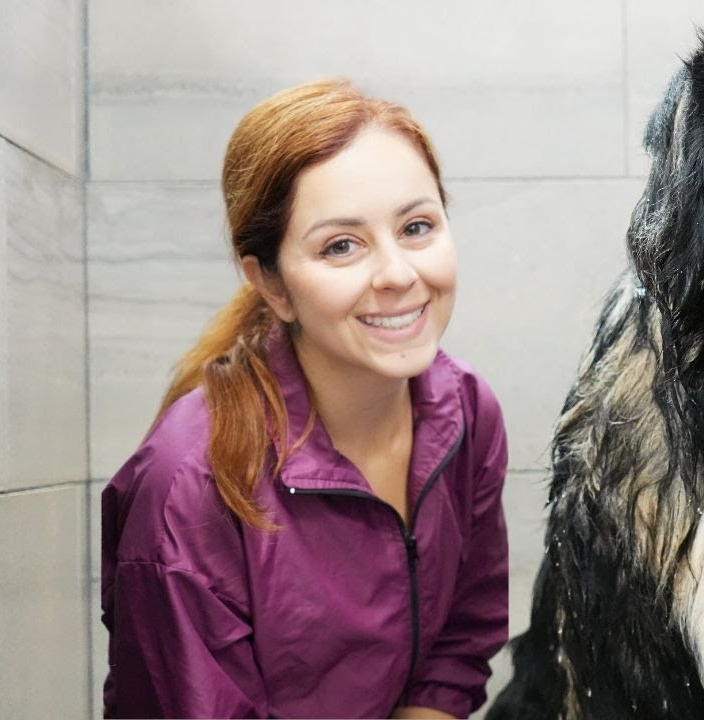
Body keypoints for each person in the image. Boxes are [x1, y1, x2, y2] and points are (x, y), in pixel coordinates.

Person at [100, 79, 508, 719]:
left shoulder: (465, 412)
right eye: (341, 246)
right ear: (271, 284)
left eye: (417, 226)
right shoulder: (191, 483)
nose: (399, 273)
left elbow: (460, 641)